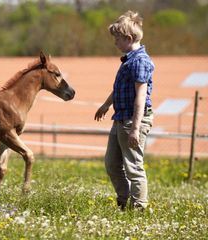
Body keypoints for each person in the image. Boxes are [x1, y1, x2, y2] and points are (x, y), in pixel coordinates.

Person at [94, 10, 154, 210]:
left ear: (128, 38)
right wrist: (106, 104)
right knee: (112, 164)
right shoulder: (128, 60)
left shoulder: (140, 62)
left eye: (117, 39)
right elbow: (119, 88)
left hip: (132, 120)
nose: (115, 43)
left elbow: (140, 98)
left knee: (133, 167)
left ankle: (139, 207)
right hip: (120, 118)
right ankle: (124, 199)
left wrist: (135, 129)